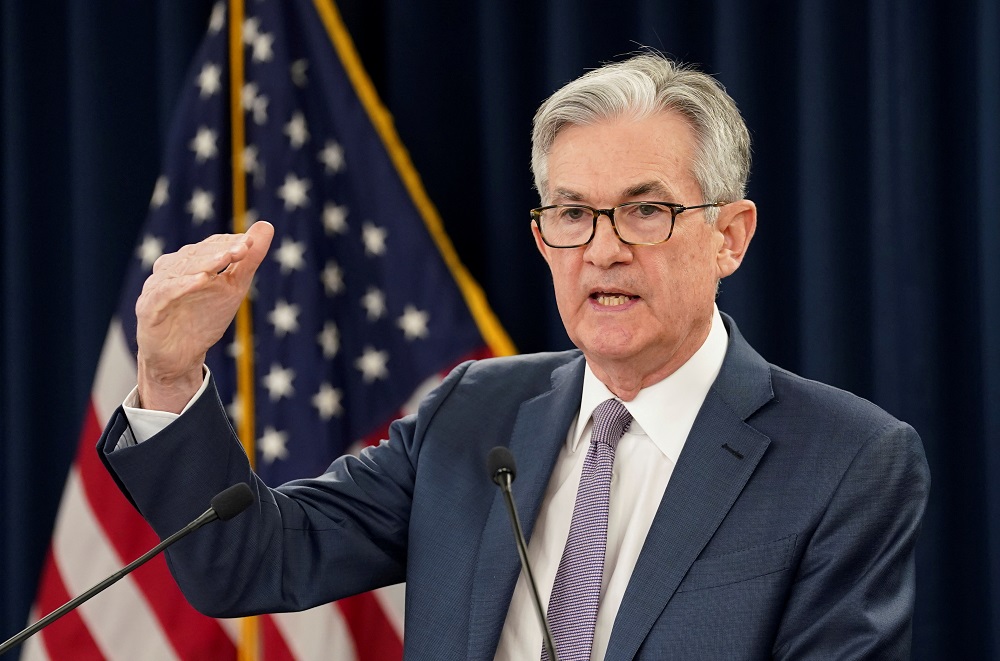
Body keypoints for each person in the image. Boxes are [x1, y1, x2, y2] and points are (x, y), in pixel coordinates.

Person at [99, 53, 930, 660]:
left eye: (645, 211)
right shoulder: (472, 411)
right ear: (543, 236)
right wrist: (169, 374)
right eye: (572, 213)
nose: (602, 249)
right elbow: (249, 563)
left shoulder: (846, 460)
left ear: (730, 236)